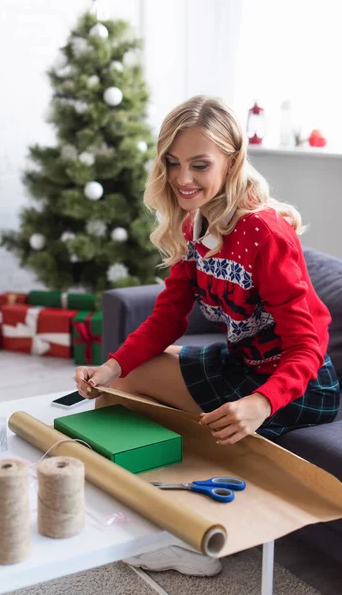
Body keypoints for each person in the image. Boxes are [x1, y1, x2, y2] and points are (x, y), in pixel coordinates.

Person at [74, 95, 340, 577]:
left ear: (233, 161)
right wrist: (110, 366)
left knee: (202, 421)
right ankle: (151, 513)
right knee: (124, 384)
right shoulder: (191, 221)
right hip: (242, 366)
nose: (182, 179)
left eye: (199, 165)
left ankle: (195, 545)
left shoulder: (264, 233)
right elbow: (167, 318)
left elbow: (308, 344)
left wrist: (261, 403)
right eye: (173, 164)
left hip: (299, 385)